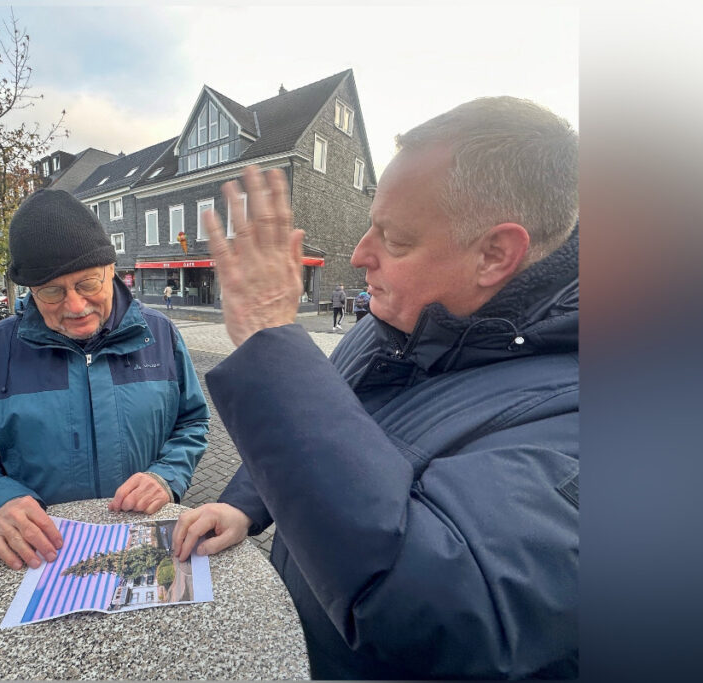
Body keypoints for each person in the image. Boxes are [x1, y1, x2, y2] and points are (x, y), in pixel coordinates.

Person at [172, 97, 579, 679]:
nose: (360, 255)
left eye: (395, 239)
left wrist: (269, 336)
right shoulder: (395, 322)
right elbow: (326, 427)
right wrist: (242, 504)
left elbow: (426, 608)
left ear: (495, 254)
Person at [0, 189, 210, 572]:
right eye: (52, 291)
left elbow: (191, 422)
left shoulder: (160, 335)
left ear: (112, 269)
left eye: (89, 283)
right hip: (43, 558)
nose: (76, 306)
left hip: (142, 546)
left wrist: (167, 476)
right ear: (31, 290)